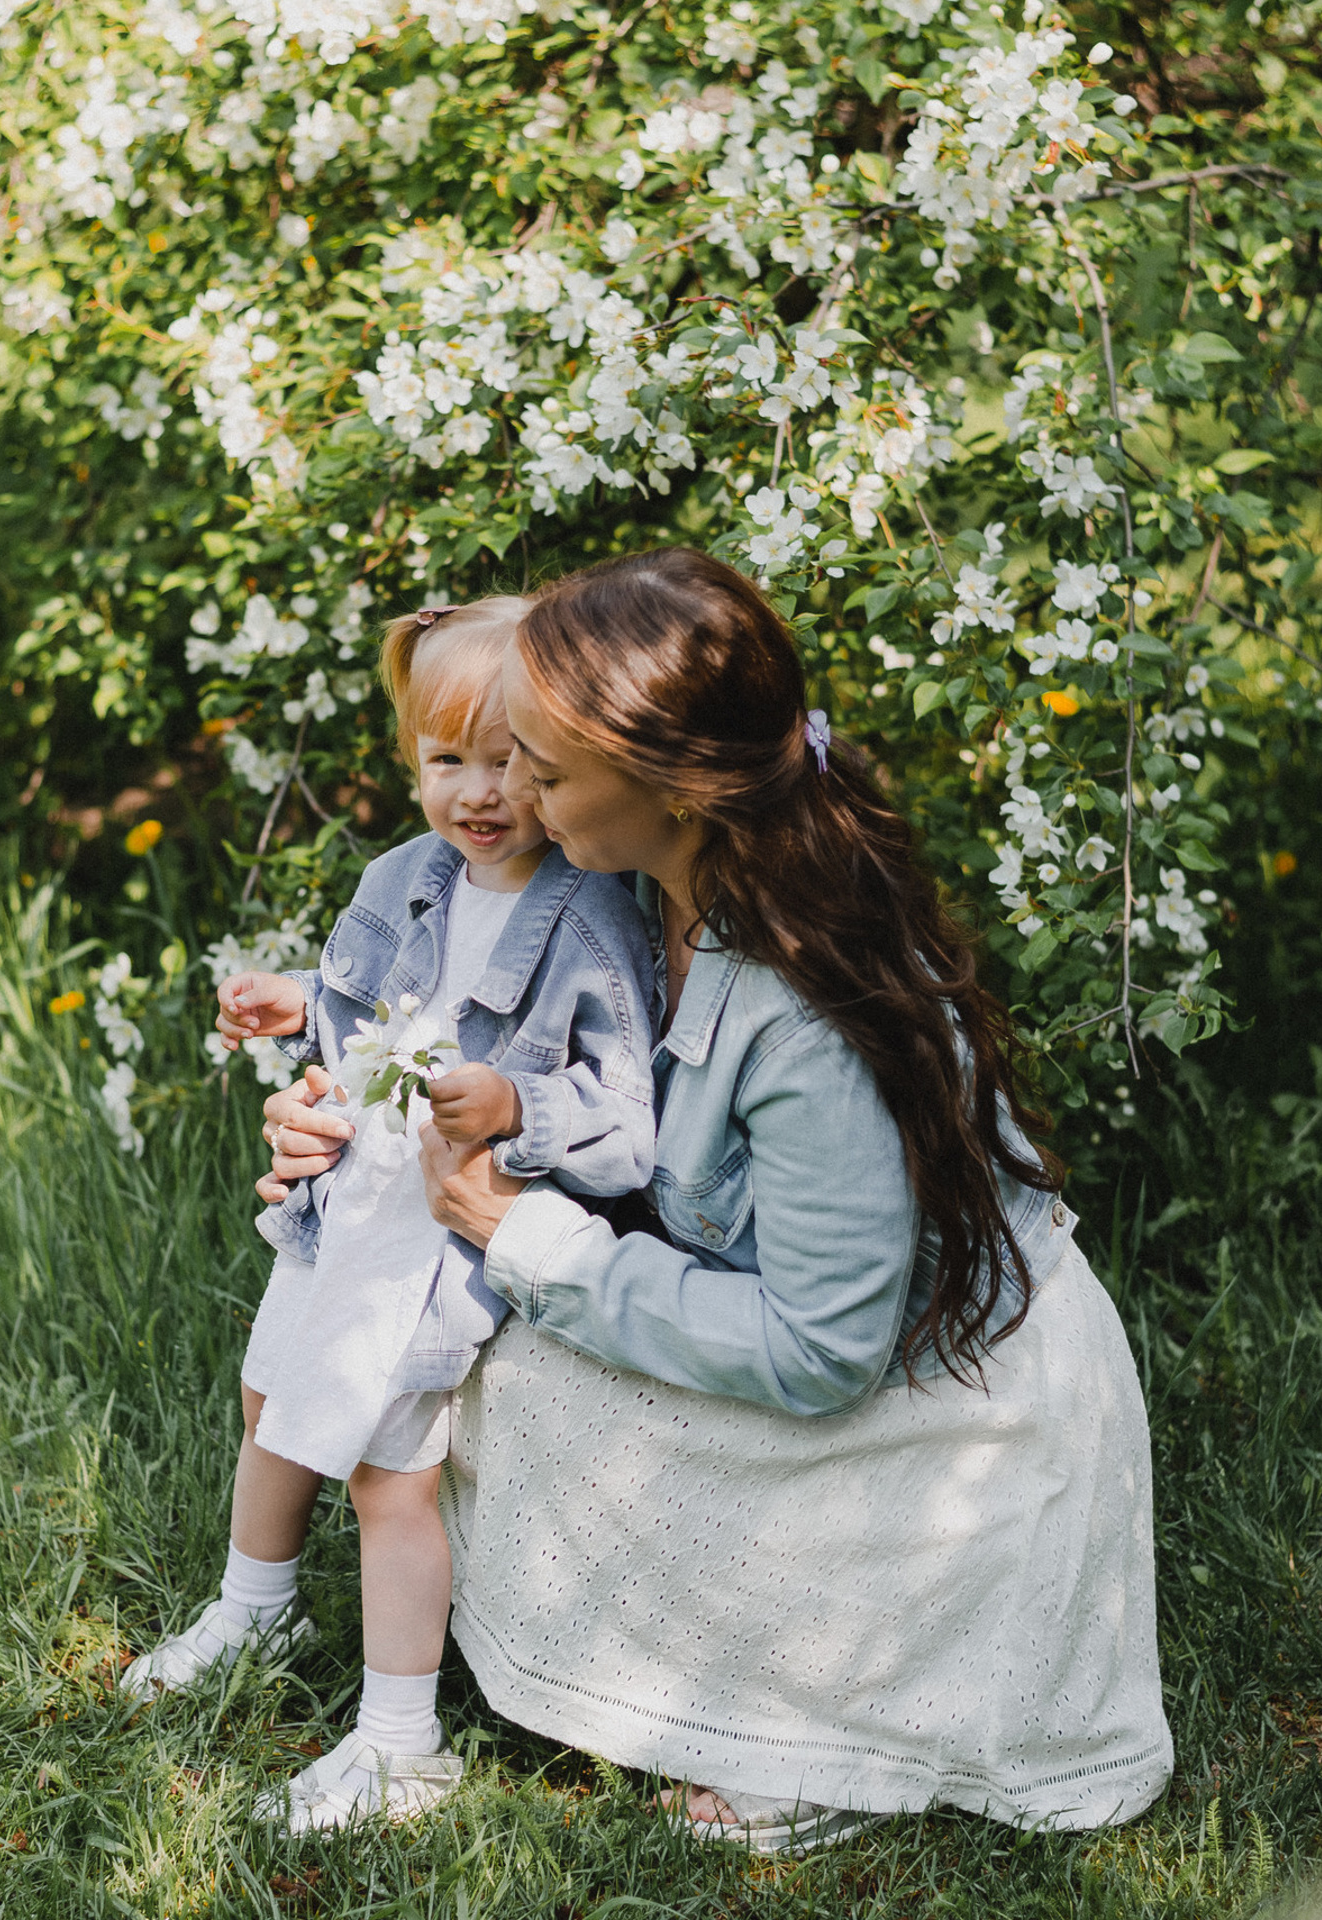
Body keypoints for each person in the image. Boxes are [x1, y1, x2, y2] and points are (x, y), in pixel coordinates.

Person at [262, 548, 1173, 1855]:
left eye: (549, 772)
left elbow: (821, 1348)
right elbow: (462, 994)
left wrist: (529, 1238)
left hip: (937, 1408)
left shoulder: (809, 1022)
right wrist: (334, 1101)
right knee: (458, 1345)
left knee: (497, 1367)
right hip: (786, 1314)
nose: (513, 789)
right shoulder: (650, 875)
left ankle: (822, 1721)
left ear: (670, 791)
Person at [120, 595, 658, 1837]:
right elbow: (366, 1016)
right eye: (446, 760)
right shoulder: (401, 877)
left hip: (444, 1232)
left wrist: (517, 1101)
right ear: (410, 760)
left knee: (386, 1471)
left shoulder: (593, 916)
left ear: (562, 759)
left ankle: (400, 1742)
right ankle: (255, 1608)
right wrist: (292, 1001)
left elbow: (630, 1121)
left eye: (513, 761)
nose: (480, 792)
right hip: (348, 1202)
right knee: (269, 1396)